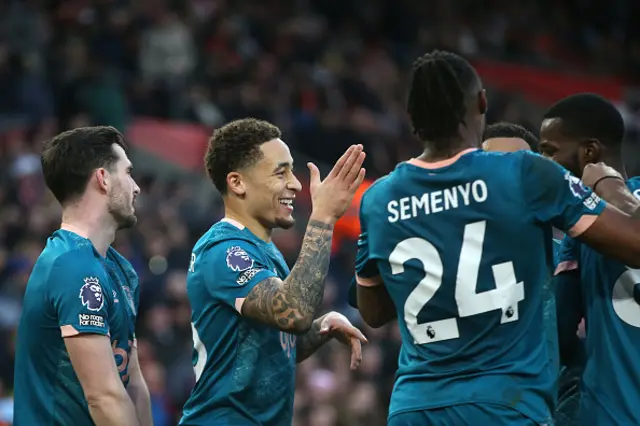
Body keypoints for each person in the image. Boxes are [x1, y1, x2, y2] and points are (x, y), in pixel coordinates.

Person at [353, 50, 640, 426]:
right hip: (504, 403)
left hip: (414, 407)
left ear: (412, 118)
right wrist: (605, 180)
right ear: (482, 102)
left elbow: (373, 312)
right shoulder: (525, 172)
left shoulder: (379, 198)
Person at [179, 118, 368, 426]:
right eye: (281, 172)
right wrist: (322, 217)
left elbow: (271, 351)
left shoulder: (264, 252)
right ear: (237, 183)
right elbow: (292, 312)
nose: (295, 183)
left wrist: (323, 327)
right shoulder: (225, 251)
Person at [13, 126, 151, 426]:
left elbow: (133, 382)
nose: (136, 187)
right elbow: (103, 396)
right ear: (102, 178)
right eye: (128, 173)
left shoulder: (121, 270)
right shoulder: (72, 267)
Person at [540, 93, 640, 426]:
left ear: (589, 153)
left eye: (549, 151)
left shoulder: (584, 226)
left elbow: (559, 333)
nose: (541, 164)